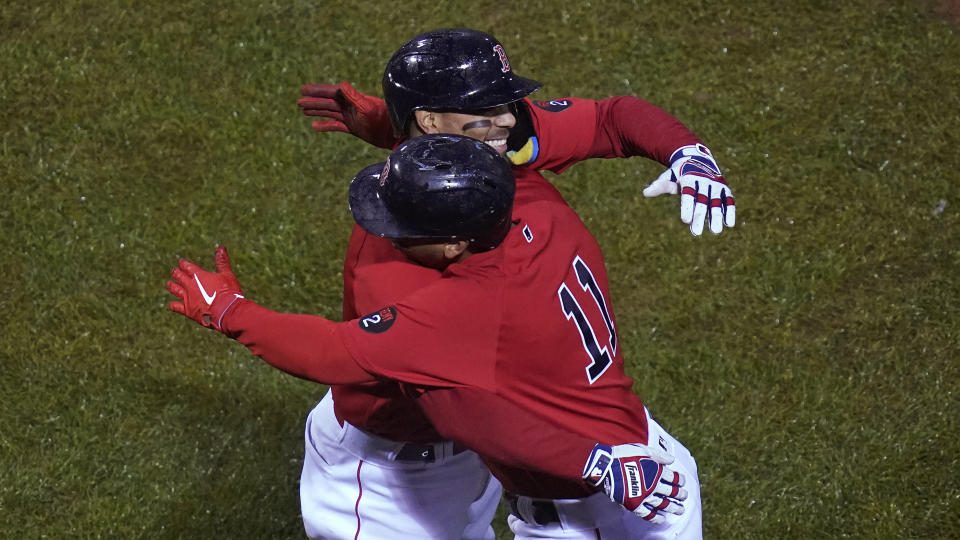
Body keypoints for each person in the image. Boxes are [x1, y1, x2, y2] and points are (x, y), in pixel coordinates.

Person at [295, 28, 732, 538]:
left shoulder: (497, 161)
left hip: (509, 460)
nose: (509, 118)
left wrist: (687, 152)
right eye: (485, 107)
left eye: (505, 102)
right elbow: (460, 407)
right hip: (390, 474)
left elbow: (608, 118)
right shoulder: (396, 258)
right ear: (431, 120)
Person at [166, 134, 702, 539]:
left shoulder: (451, 315)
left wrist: (229, 311)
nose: (386, 233)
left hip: (597, 497)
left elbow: (328, 350)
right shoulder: (541, 209)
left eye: (407, 227)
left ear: (453, 244)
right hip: (639, 453)